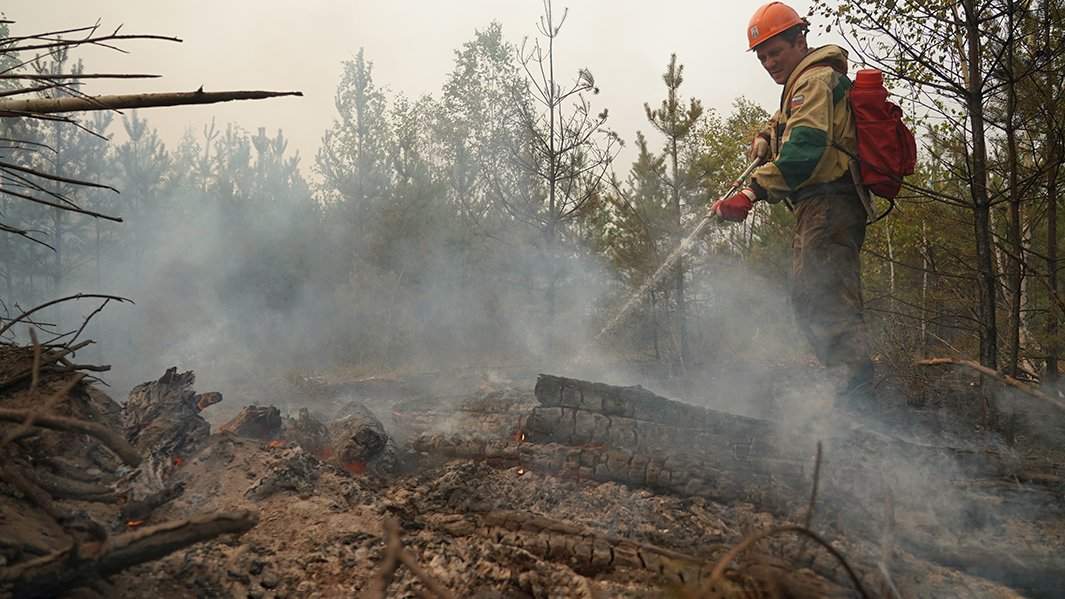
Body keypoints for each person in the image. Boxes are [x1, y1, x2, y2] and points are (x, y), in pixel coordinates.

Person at [710, 1, 874, 407]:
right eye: (762, 57)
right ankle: (849, 385)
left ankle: (856, 393)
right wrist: (767, 135)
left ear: (800, 39)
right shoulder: (806, 83)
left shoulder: (814, 81)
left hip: (831, 201)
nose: (769, 63)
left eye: (775, 52)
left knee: (823, 292)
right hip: (818, 204)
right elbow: (790, 123)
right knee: (810, 293)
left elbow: (806, 148)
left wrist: (751, 193)